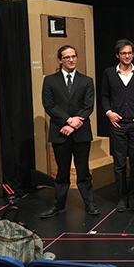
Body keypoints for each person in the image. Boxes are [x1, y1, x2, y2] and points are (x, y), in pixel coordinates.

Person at [40, 45, 100, 218]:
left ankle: (90, 204)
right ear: (60, 60)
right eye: (67, 57)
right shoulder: (50, 81)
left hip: (80, 133)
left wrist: (73, 124)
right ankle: (58, 205)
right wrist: (67, 121)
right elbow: (49, 105)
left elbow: (88, 106)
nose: (71, 59)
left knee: (83, 170)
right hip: (60, 132)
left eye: (73, 56)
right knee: (62, 172)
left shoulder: (86, 81)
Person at [101, 39, 134, 212]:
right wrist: (108, 112)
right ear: (117, 55)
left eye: (129, 53)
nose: (127, 56)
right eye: (123, 53)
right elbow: (104, 95)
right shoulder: (109, 73)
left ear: (133, 55)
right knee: (119, 163)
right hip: (117, 124)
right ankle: (122, 197)